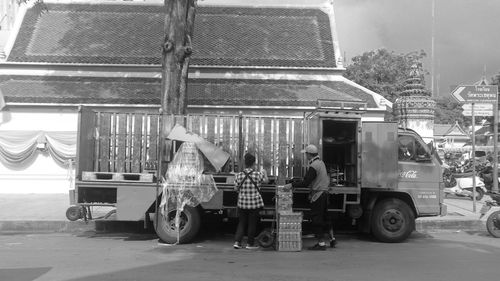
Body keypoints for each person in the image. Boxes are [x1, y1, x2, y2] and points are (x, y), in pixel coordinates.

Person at [292, 144, 336, 251]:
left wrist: (292, 185)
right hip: (324, 193)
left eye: (306, 154)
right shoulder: (321, 163)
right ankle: (332, 239)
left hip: (318, 195)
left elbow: (306, 182)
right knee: (326, 217)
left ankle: (321, 244)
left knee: (317, 218)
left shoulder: (314, 166)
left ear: (309, 155)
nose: (305, 156)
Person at [233, 153, 268, 250]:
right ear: (254, 163)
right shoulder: (257, 174)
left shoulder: (239, 175)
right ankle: (249, 244)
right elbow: (266, 181)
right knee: (252, 223)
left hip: (242, 203)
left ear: (244, 163)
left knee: (242, 222)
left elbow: (235, 189)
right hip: (254, 204)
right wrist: (264, 172)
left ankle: (237, 242)